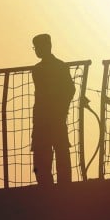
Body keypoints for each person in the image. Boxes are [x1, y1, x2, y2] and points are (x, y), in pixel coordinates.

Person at [31, 33, 75, 184]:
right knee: (59, 151)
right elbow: (70, 90)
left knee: (45, 153)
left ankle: (48, 187)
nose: (36, 50)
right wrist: (62, 108)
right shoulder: (59, 66)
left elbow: (69, 89)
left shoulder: (38, 70)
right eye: (35, 48)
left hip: (46, 118)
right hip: (52, 117)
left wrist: (61, 109)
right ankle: (63, 185)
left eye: (37, 47)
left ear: (47, 47)